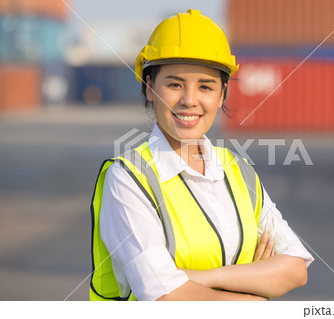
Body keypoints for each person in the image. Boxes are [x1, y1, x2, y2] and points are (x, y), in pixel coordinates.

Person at [89, 9, 314, 301]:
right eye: (174, 84)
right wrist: (253, 295)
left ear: (222, 95)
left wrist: (200, 278)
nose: (189, 100)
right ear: (149, 88)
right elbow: (165, 296)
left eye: (205, 86)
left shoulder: (238, 170)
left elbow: (296, 267)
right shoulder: (128, 179)